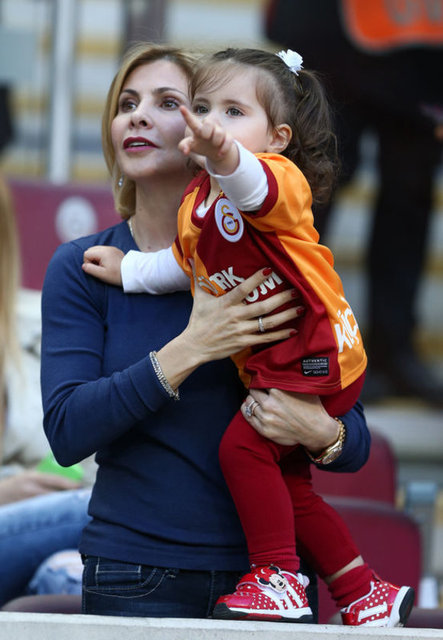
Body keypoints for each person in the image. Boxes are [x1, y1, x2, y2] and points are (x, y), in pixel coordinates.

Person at [82, 46, 413, 628]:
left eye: (234, 112)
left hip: (314, 352)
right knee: (292, 491)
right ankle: (366, 593)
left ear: (278, 138)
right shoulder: (199, 201)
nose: (214, 122)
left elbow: (249, 182)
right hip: (281, 363)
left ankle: (279, 577)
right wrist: (129, 269)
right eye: (205, 107)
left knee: (241, 450)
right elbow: (184, 265)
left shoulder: (275, 181)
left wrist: (225, 152)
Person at [264, 0, 443, 406]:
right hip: (332, 34)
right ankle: (291, 342)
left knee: (410, 194)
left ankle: (394, 351)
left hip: (420, 48)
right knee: (313, 186)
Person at [0, 173, 93, 606]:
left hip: (47, 528)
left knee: (64, 575)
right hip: (53, 516)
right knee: (113, 509)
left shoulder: (33, 322)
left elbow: (82, 452)